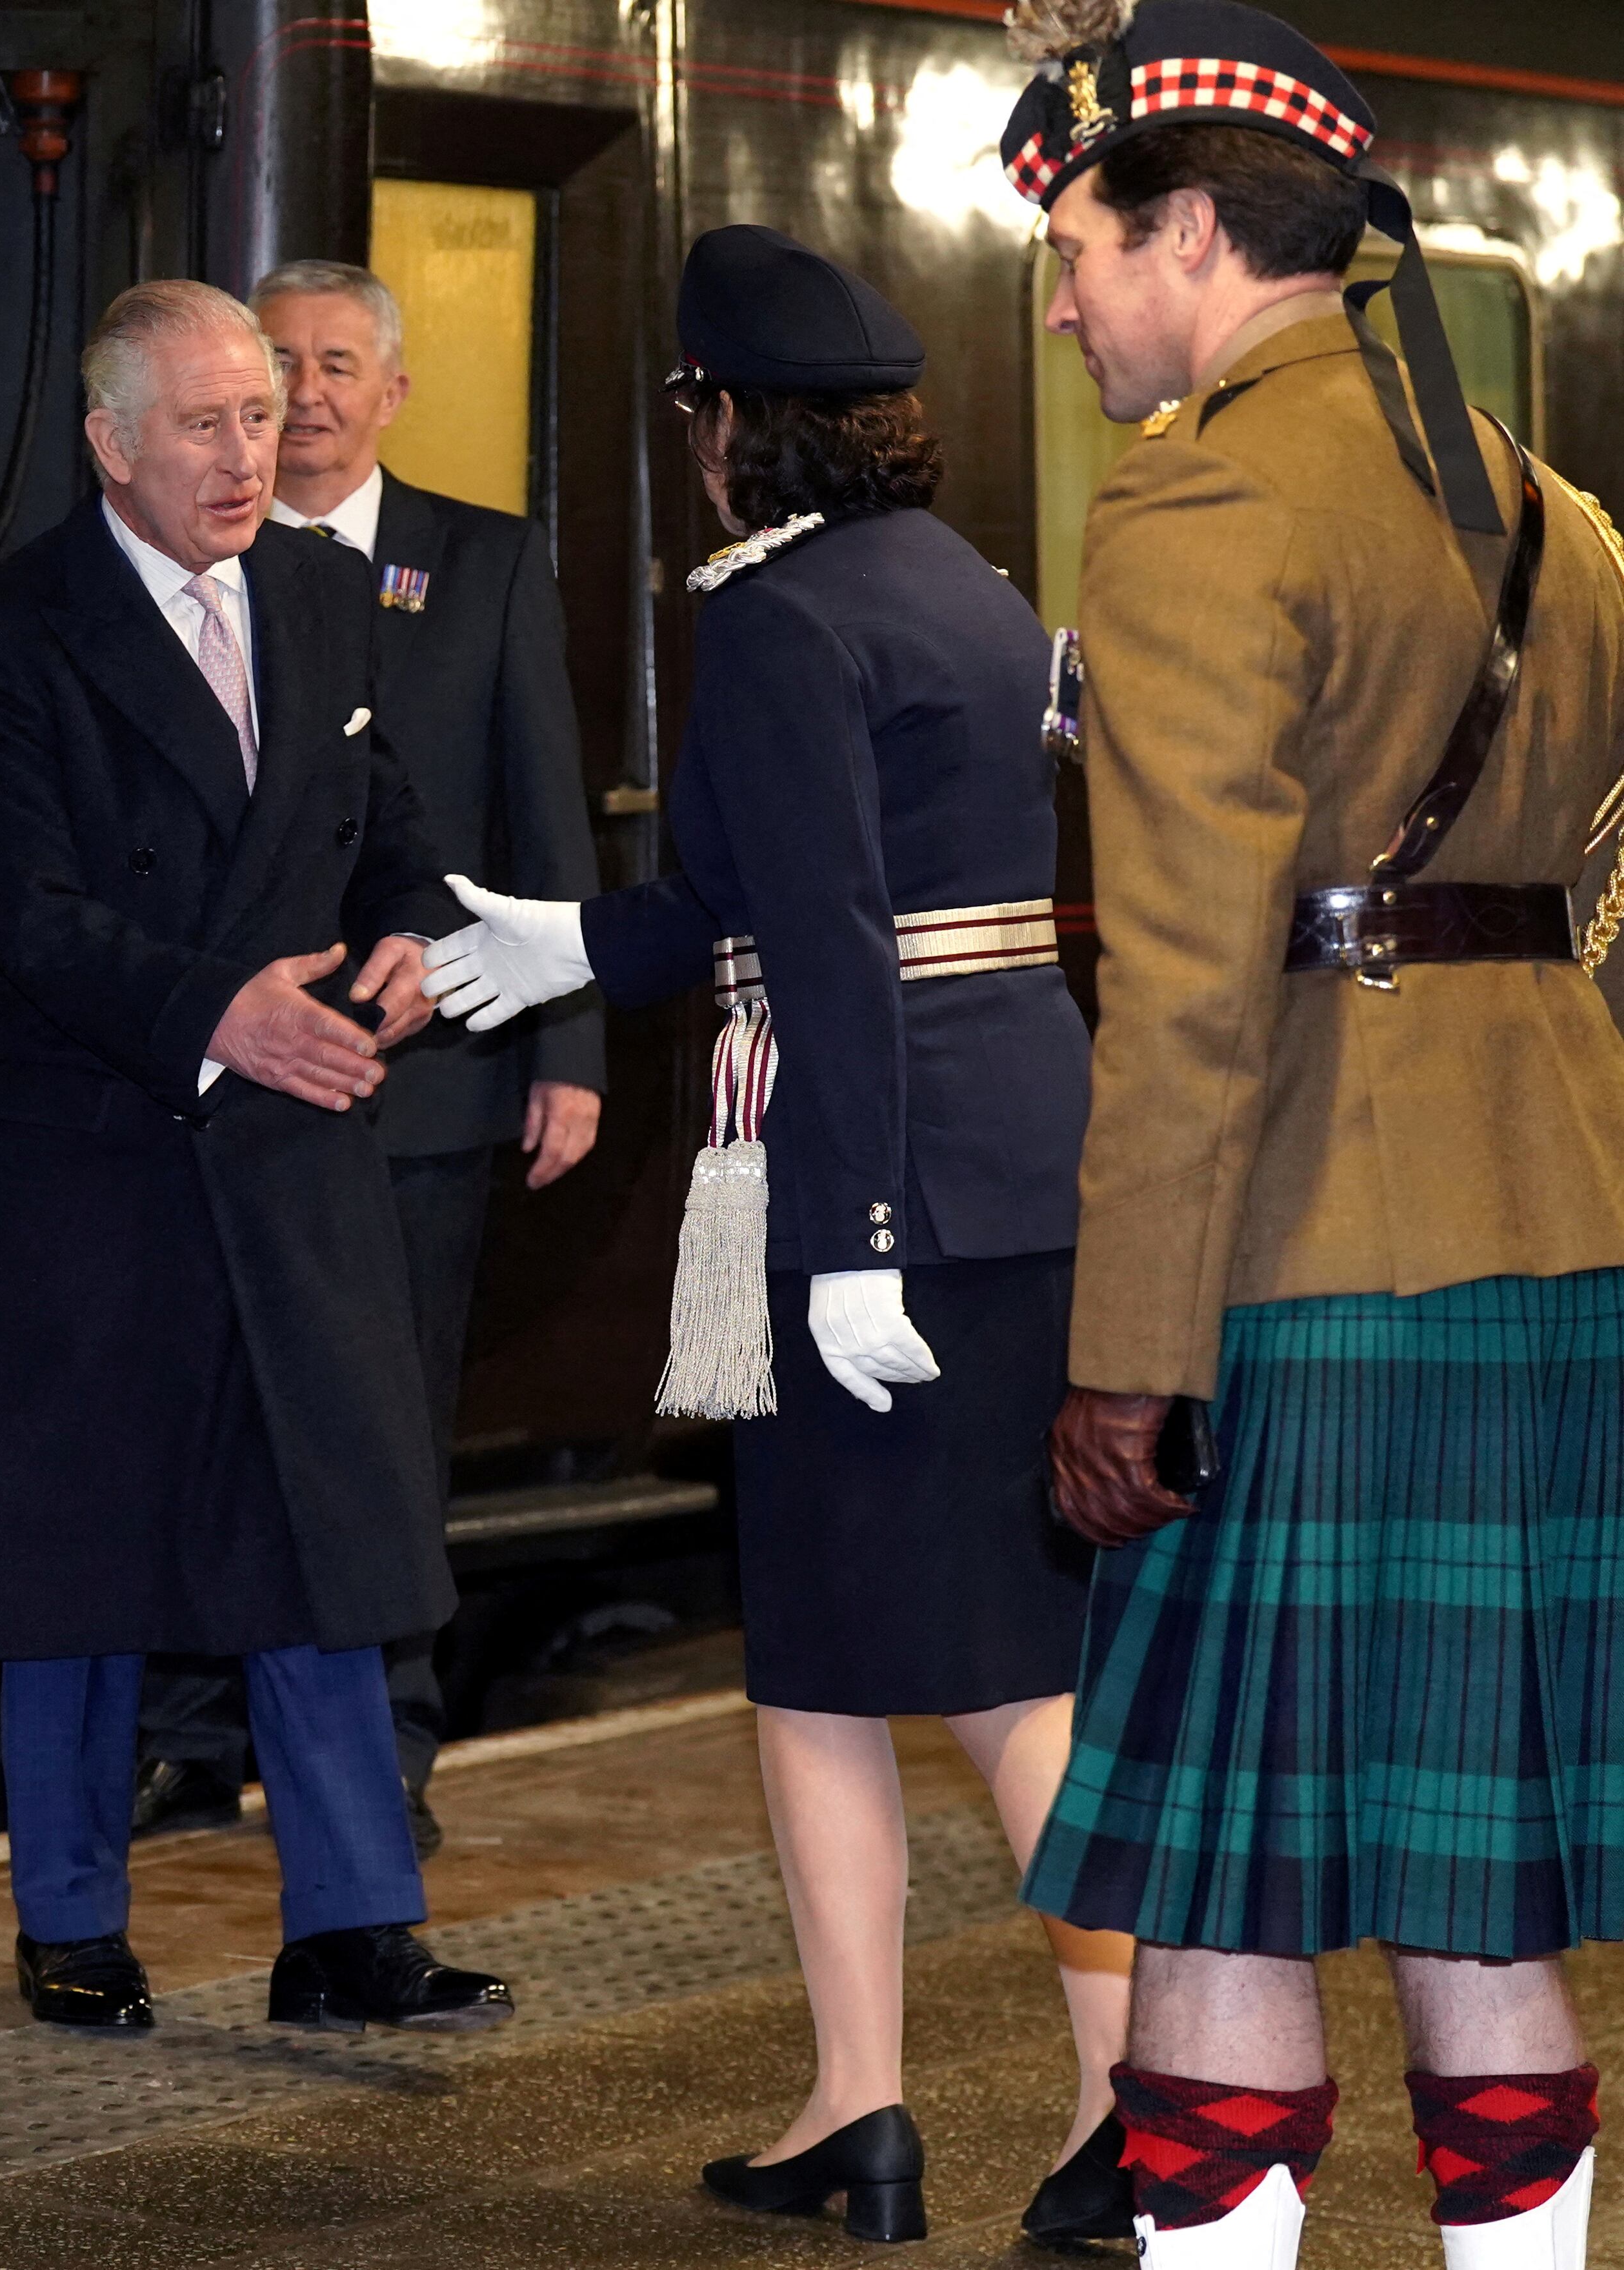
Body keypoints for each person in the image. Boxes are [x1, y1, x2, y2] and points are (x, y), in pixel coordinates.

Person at [985, 3, 1624, 2262]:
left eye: (1078, 249)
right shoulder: (1545, 506)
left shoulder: (1206, 496)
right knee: (1478, 1869)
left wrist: (1125, 1359)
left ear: (1188, 232)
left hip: (1309, 1255)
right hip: (1560, 1218)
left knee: (1218, 1876)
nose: (1062, 307)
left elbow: (1184, 989)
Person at [420, 225, 1135, 2244]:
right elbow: (800, 899)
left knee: (937, 1674)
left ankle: (1102, 2100)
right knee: (906, 1653)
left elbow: (824, 939)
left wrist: (858, 1235)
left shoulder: (777, 615)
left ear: (731, 421)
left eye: (695, 411)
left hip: (868, 1184)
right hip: (1022, 1167)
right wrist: (574, 941)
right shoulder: (968, 589)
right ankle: (895, 2102)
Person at [0, 277, 513, 2040]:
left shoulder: (323, 597)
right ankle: (71, 1918)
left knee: (321, 1538)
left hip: (292, 1142)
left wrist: (416, 937)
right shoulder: (1, 635)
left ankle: (352, 1925)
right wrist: (216, 1012)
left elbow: (389, 829)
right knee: (78, 1557)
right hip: (100, 1150)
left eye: (260, 416)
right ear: (109, 443)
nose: (252, 452)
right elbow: (28, 914)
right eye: (206, 424)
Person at [127, 258, 606, 1856]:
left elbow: (542, 809)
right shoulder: (190, 559)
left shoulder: (483, 560)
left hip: (428, 1067)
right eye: (279, 366)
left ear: (393, 392)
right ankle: (194, 1736)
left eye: (338, 365)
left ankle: (388, 1744)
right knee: (211, 1397)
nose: (308, 394)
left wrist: (568, 1045)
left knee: (387, 1423)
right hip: (225, 1066)